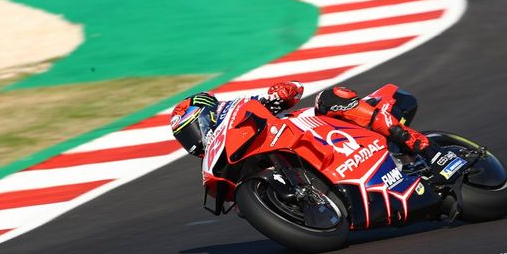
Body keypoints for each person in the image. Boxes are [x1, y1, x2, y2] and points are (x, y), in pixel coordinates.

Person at [170, 81, 439, 174]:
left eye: (194, 130)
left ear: (207, 115)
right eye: (186, 139)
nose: (194, 142)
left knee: (331, 97)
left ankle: (417, 142)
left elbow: (292, 91)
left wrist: (280, 94)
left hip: (317, 130)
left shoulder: (236, 111)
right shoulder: (222, 162)